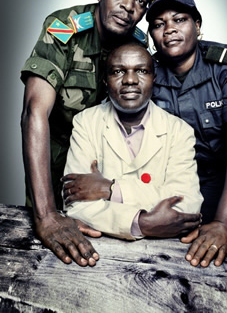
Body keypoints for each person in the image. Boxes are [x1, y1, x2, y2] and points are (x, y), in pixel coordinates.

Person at [20, 0, 163, 266]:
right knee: (46, 258)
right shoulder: (64, 28)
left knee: (115, 260)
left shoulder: (138, 45)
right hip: (55, 160)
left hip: (106, 168)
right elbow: (34, 113)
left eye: (141, 0)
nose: (129, 6)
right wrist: (46, 215)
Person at [146, 0, 227, 267]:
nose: (170, 29)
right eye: (159, 24)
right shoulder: (144, 70)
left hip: (215, 183)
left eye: (179, 19)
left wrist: (225, 223)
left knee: (205, 263)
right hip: (158, 184)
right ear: (151, 35)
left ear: (197, 25)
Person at [62, 42, 203, 242]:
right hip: (99, 251)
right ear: (105, 80)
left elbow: (186, 204)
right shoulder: (86, 122)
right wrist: (141, 223)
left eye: (142, 71)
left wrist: (110, 190)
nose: (129, 80)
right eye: (118, 71)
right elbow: (75, 203)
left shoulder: (179, 131)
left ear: (154, 78)